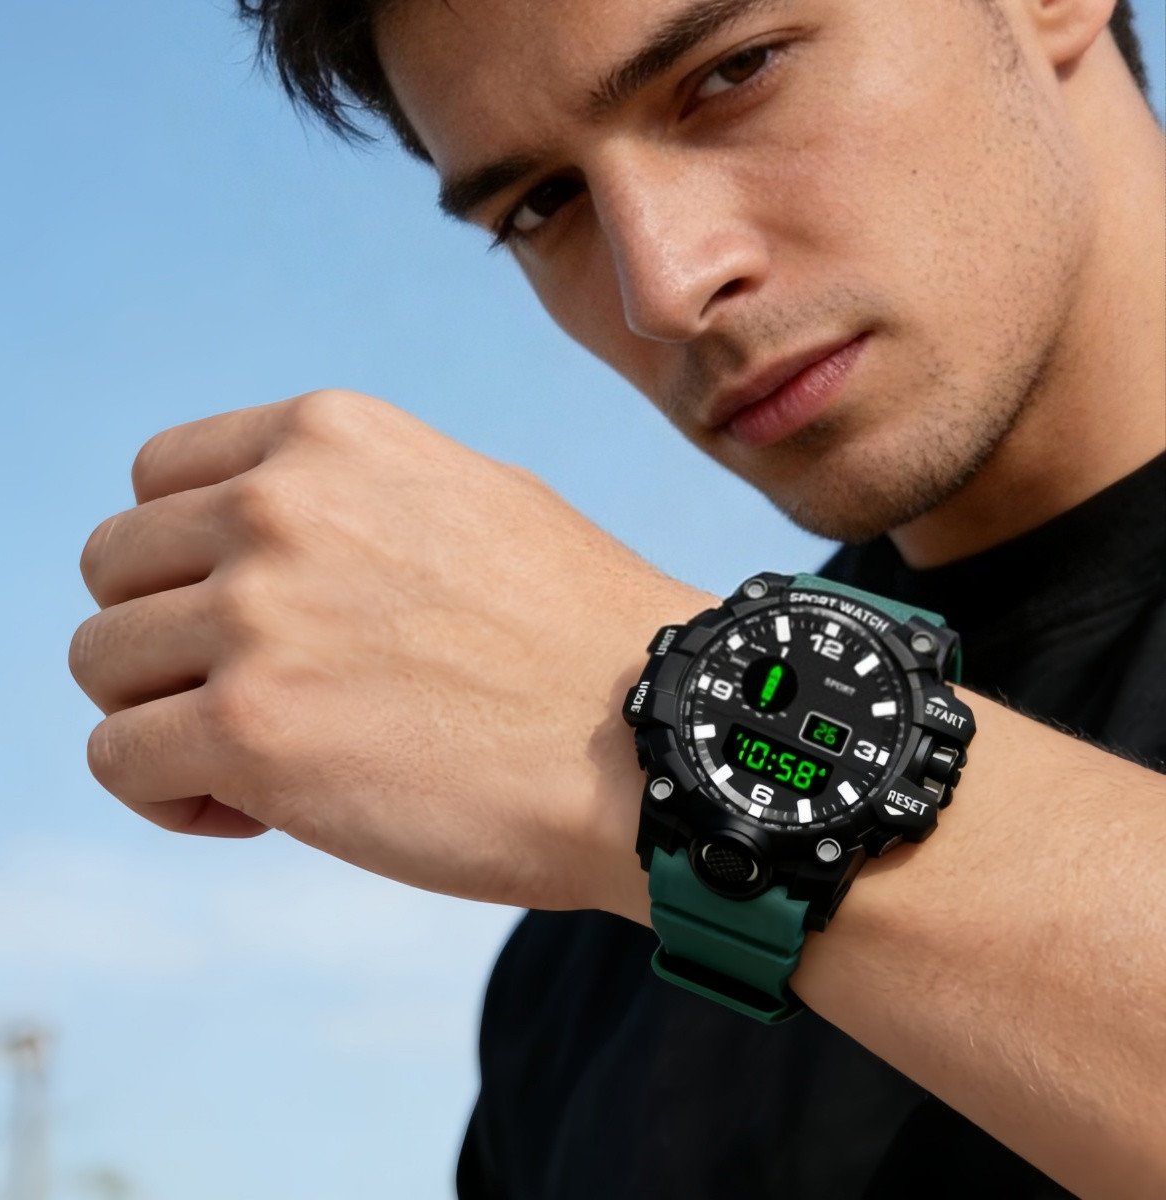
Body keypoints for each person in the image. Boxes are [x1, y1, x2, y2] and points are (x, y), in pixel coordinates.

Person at [67, 0, 1165, 1196]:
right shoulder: (591, 954)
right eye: (541, 203)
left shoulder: (620, 797)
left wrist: (659, 705)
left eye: (735, 73)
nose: (665, 285)